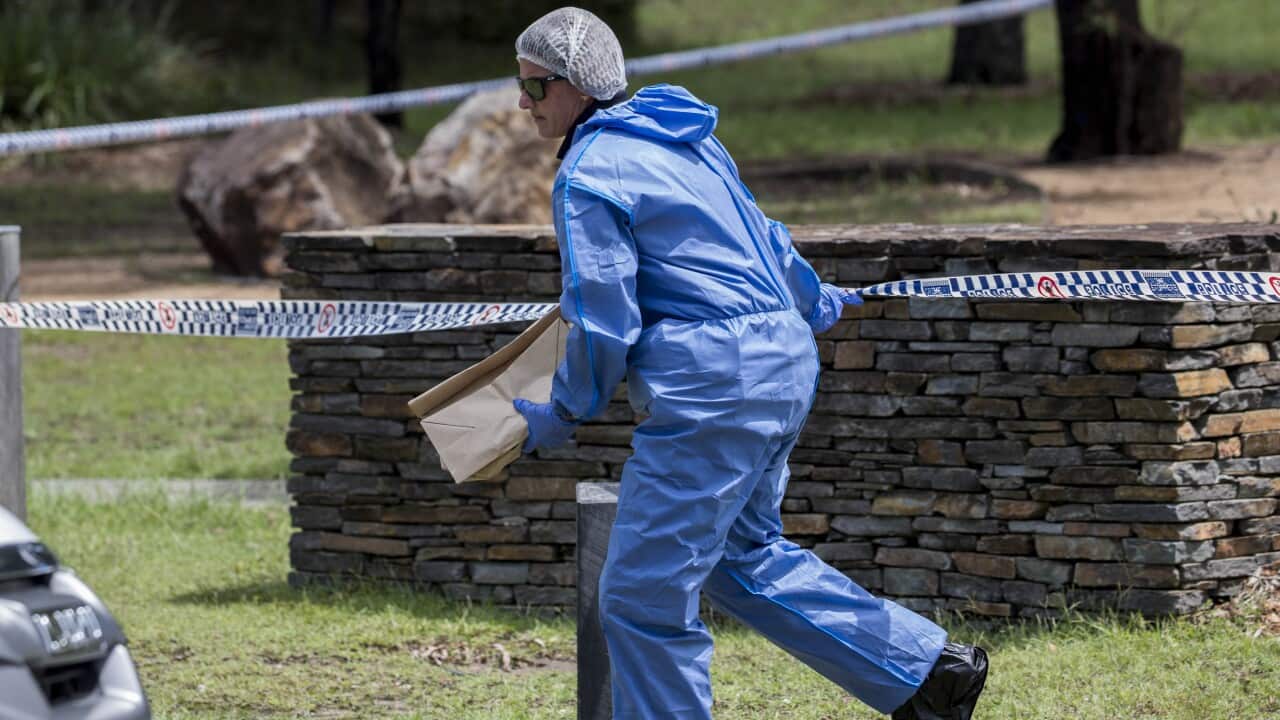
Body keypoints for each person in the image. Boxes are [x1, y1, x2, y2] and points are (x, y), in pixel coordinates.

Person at [510, 7, 988, 719]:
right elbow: (765, 235)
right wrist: (807, 294)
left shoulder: (589, 174)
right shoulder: (683, 137)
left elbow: (603, 318)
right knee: (743, 558)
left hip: (712, 391)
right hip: (783, 365)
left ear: (578, 87)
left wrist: (565, 409)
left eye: (535, 87)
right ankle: (925, 674)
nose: (523, 103)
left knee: (641, 598)